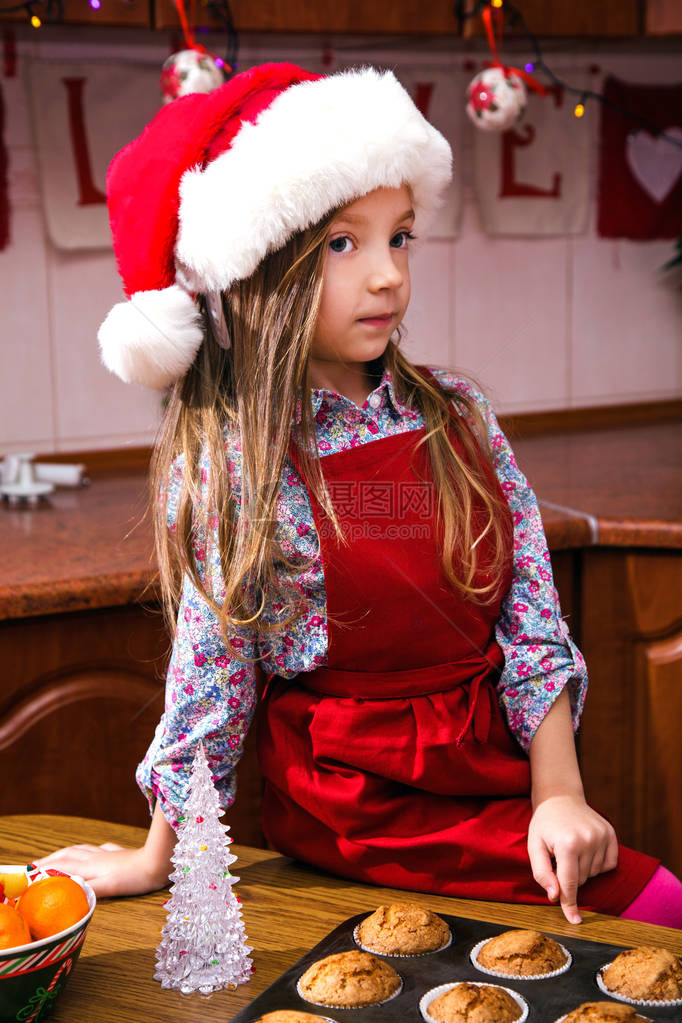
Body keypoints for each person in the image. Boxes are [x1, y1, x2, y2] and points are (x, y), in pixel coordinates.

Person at [38, 62, 682, 928]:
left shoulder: (458, 413)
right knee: (659, 911)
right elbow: (212, 675)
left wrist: (558, 794)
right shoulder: (237, 463)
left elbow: (531, 616)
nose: (387, 275)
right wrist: (160, 853)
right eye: (345, 243)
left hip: (496, 779)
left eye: (400, 236)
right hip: (360, 814)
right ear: (261, 270)